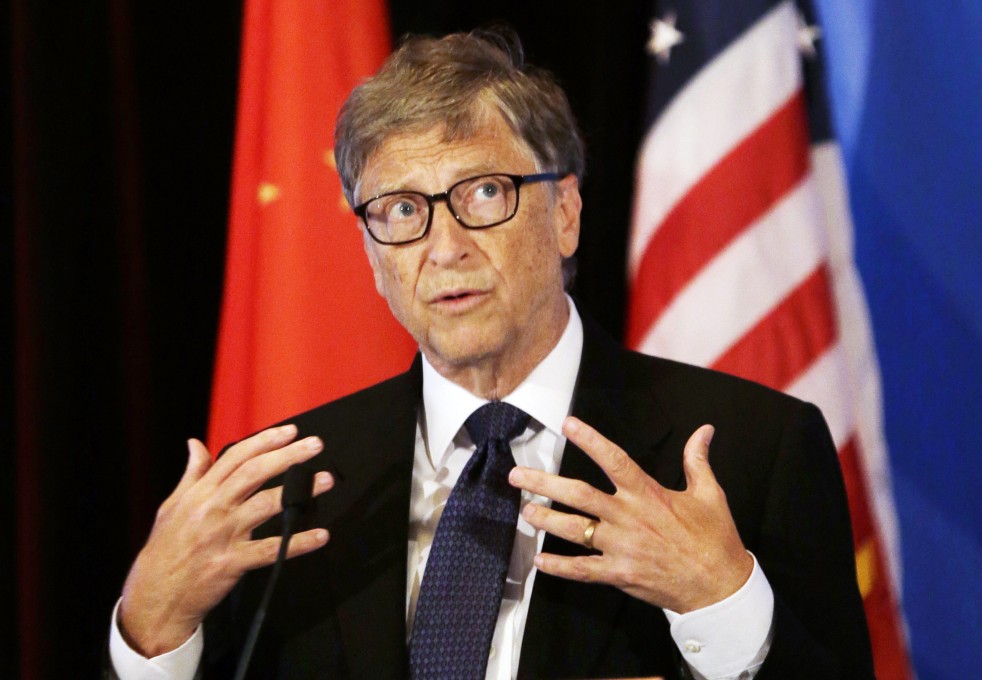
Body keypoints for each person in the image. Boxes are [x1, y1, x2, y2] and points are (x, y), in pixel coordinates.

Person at [108, 29, 874, 680]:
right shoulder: (288, 488)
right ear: (372, 255)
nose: (444, 249)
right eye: (402, 210)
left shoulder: (751, 453)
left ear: (565, 213)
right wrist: (150, 631)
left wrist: (723, 601)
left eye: (482, 193)